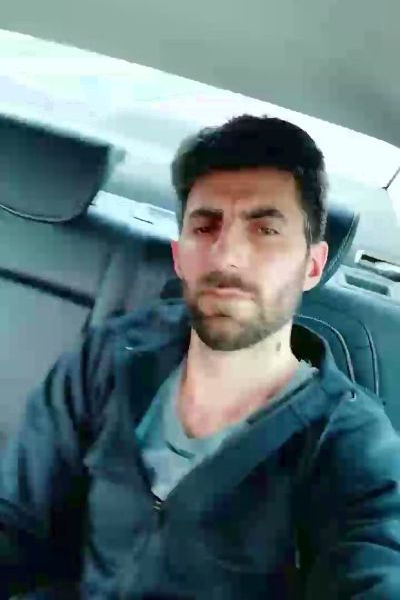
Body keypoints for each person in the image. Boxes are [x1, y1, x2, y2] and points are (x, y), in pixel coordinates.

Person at [1, 115, 400, 599]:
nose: (227, 255)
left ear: (311, 266)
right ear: (180, 257)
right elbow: (16, 523)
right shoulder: (109, 357)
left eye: (265, 230)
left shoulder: (350, 444)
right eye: (205, 226)